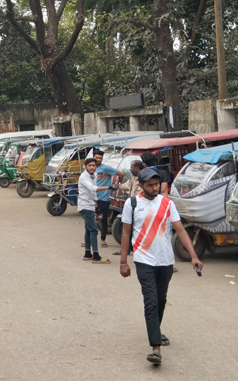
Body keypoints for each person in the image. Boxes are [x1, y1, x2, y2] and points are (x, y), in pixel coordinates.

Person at [120, 168, 203, 365]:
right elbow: (125, 234)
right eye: (150, 185)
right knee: (150, 301)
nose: (154, 188)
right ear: (141, 185)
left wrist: (193, 256)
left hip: (166, 261)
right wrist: (123, 262)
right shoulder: (132, 204)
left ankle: (155, 329)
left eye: (156, 184)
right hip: (143, 260)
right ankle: (155, 348)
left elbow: (180, 231)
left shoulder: (167, 204)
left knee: (161, 300)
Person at [78, 158, 115, 263]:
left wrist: (95, 202)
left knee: (88, 229)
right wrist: (108, 187)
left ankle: (87, 253)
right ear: (85, 166)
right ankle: (96, 256)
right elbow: (93, 188)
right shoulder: (84, 177)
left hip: (90, 205)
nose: (92, 167)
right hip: (85, 206)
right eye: (89, 165)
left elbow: (93, 192)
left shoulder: (93, 176)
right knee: (93, 230)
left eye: (93, 165)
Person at [93, 150, 124, 248]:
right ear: (93, 157)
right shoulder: (90, 168)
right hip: (91, 198)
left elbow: (121, 174)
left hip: (104, 198)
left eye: (100, 158)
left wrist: (117, 185)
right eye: (97, 158)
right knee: (90, 219)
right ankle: (89, 239)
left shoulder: (106, 168)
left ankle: (103, 239)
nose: (98, 160)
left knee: (103, 220)